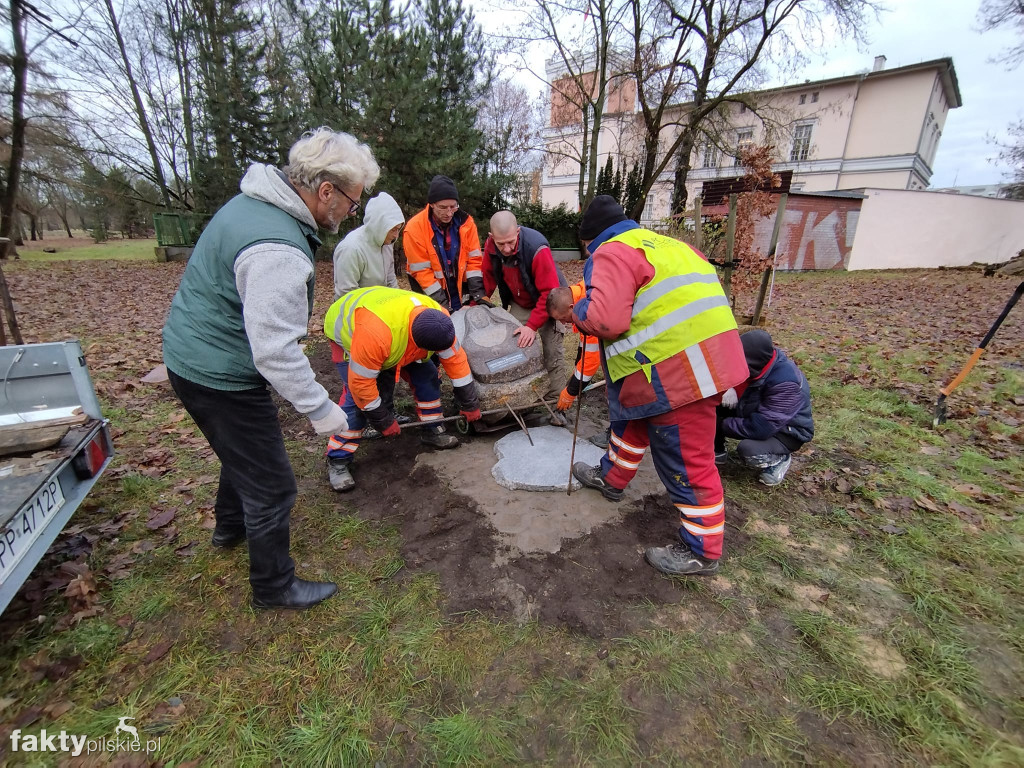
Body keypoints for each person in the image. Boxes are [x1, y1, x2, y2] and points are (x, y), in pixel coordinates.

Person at [162, 127, 379, 610]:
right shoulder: (276, 248)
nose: (350, 212)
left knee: (243, 454)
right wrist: (322, 410)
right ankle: (273, 586)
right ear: (326, 191)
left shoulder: (255, 204)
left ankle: (229, 528)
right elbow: (276, 352)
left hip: (193, 353)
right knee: (273, 483)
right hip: (219, 371)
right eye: (351, 202)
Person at [564, 195, 748, 577]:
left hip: (678, 371)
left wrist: (577, 312)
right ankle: (611, 478)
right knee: (632, 424)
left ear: (588, 240)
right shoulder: (671, 246)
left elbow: (606, 320)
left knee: (686, 461)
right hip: (696, 360)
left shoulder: (611, 252)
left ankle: (702, 549)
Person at [323, 286, 482, 492]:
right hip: (349, 330)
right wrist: (383, 420)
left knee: (427, 375)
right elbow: (361, 385)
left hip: (395, 332)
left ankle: (432, 429)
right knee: (355, 401)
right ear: (415, 343)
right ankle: (338, 459)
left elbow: (456, 362)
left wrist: (469, 403)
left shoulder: (440, 321)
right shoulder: (375, 335)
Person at [326, 192, 410, 456]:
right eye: (393, 229)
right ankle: (338, 456)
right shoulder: (351, 249)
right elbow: (346, 296)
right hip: (353, 329)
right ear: (379, 224)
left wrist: (399, 311)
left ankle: (382, 418)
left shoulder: (385, 245)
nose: (396, 234)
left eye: (398, 228)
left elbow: (390, 284)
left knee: (386, 377)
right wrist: (370, 323)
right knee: (356, 392)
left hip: (381, 325)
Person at [482, 210, 569, 420]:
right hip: (520, 300)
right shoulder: (491, 246)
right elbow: (486, 274)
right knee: (513, 347)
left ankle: (558, 406)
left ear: (518, 232)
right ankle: (519, 400)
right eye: (501, 244)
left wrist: (532, 326)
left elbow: (549, 292)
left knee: (552, 351)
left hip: (551, 301)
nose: (507, 248)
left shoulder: (537, 248)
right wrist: (479, 300)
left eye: (511, 242)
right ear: (491, 236)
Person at [715, 330, 813, 486]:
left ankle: (780, 458)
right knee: (714, 402)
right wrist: (731, 388)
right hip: (756, 411)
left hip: (786, 432)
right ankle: (717, 450)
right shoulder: (759, 363)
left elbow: (761, 427)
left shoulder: (786, 383)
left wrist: (721, 424)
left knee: (749, 450)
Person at [403, 175, 484, 311]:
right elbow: (422, 273)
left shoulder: (467, 224)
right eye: (443, 207)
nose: (449, 213)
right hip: (430, 294)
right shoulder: (414, 229)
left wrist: (478, 295)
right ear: (432, 204)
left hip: (458, 291)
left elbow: (474, 261)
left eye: (453, 207)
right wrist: (443, 306)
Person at [547, 280, 602, 428]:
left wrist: (571, 391)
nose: (564, 323)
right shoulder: (580, 294)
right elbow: (585, 345)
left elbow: (591, 360)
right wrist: (576, 376)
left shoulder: (591, 310)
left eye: (564, 318)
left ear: (571, 307)